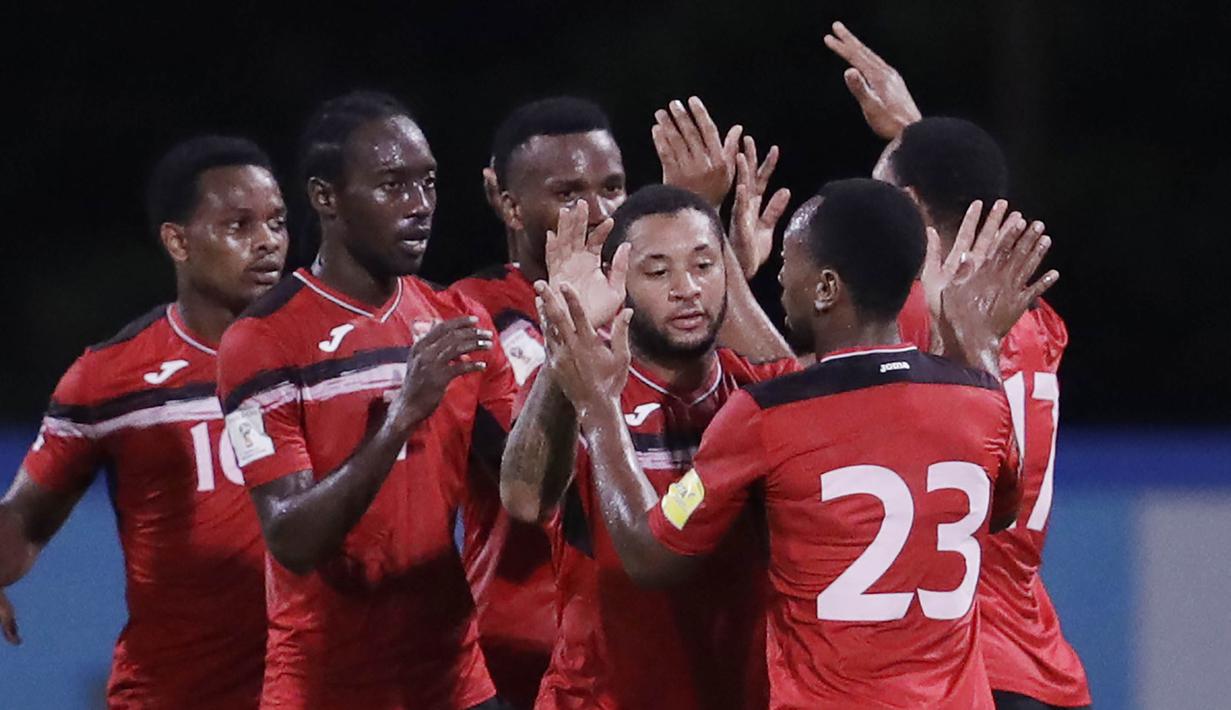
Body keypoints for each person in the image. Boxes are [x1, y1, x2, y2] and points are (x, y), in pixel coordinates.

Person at [532, 177, 1060, 708]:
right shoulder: (980, 400)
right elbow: (1001, 510)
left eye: (790, 260)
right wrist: (978, 350)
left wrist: (597, 406)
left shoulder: (769, 413)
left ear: (826, 288)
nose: (779, 277)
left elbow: (650, 556)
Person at [449, 96, 782, 708]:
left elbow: (797, 386)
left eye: (704, 266)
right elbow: (524, 498)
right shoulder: (586, 377)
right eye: (657, 272)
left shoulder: (751, 391)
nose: (686, 289)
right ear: (621, 280)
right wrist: (566, 362)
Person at [216, 90, 535, 709]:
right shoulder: (264, 339)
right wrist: (398, 421)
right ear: (326, 197)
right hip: (326, 689)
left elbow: (527, 491)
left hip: (455, 683)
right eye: (393, 185)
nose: (420, 207)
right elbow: (290, 538)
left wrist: (570, 377)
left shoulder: (458, 319)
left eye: (429, 183)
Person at [828, 23, 1092, 709]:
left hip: (959, 669)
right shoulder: (1035, 320)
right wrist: (912, 136)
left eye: (880, 193)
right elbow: (960, 238)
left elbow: (777, 386)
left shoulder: (903, 319)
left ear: (909, 207)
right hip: (1037, 662)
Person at [0, 135, 288, 708]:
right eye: (239, 225)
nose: (267, 243)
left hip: (315, 687)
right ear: (177, 241)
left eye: (277, 223)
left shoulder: (326, 354)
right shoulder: (112, 378)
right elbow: (26, 520)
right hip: (174, 694)